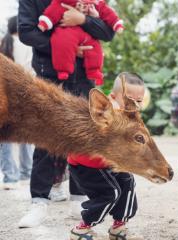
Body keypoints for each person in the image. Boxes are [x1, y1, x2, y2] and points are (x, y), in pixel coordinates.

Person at [18, 0, 115, 228]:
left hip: (83, 77)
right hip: (49, 75)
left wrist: (83, 20)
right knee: (45, 138)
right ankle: (39, 202)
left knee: (83, 137)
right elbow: (26, 32)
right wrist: (64, 46)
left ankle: (80, 200)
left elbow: (107, 31)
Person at [68, 72, 144, 240]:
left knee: (127, 181)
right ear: (113, 97)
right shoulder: (107, 114)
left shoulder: (130, 117)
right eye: (129, 100)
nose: (135, 105)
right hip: (86, 164)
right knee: (111, 193)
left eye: (138, 101)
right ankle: (81, 229)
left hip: (107, 163)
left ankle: (119, 227)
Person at [38, 0, 124, 84]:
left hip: (87, 38)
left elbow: (108, 15)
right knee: (62, 42)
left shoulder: (96, 3)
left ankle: (94, 71)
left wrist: (116, 23)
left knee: (95, 49)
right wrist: (45, 22)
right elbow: (54, 9)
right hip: (67, 33)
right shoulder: (65, 1)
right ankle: (63, 70)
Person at [0, 15, 35, 190]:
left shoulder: (2, 43)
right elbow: (30, 72)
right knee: (25, 135)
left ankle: (9, 177)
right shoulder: (27, 45)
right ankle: (26, 172)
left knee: (5, 136)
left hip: (3, 97)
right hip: (22, 97)